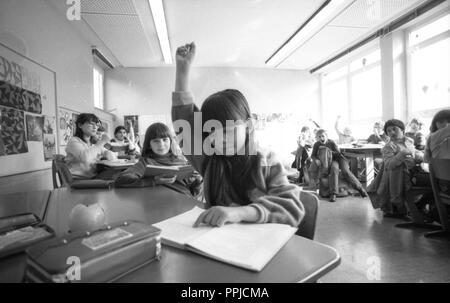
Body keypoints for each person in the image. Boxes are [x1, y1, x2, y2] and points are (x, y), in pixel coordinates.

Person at [172, 42, 304, 228]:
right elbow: (184, 123)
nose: (220, 138)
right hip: (216, 247)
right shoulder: (210, 160)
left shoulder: (266, 162)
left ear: (249, 126)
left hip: (262, 248)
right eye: (211, 131)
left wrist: (239, 213)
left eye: (228, 129)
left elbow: (291, 208)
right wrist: (183, 69)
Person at [115, 122, 203, 198]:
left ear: (170, 141)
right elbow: (121, 180)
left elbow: (193, 192)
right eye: (156, 141)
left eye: (165, 140)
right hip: (159, 205)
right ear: (149, 144)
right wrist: (153, 181)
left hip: (185, 203)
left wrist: (198, 181)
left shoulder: (182, 162)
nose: (161, 145)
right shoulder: (146, 162)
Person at [368, 119, 426, 219]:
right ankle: (399, 211)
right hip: (396, 175)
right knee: (397, 192)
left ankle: (414, 208)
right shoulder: (389, 146)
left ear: (402, 130)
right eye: (388, 131)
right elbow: (389, 164)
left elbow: (413, 152)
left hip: (411, 172)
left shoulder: (409, 141)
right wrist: (402, 154)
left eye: (394, 129)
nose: (392, 132)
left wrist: (419, 155)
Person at [308, 129, 367, 202]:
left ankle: (360, 188)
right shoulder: (316, 144)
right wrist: (316, 160)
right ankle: (334, 193)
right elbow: (313, 155)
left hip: (340, 159)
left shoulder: (331, 142)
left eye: (323, 136)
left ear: (326, 136)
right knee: (334, 169)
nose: (321, 138)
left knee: (345, 171)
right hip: (332, 161)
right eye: (319, 137)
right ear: (317, 137)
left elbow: (338, 153)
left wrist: (328, 151)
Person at [65, 113, 116, 179]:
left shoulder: (92, 144)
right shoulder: (74, 141)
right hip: (78, 180)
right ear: (80, 125)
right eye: (91, 124)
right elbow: (86, 158)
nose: (95, 127)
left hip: (92, 178)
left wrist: (107, 151)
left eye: (96, 125)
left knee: (118, 174)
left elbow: (112, 158)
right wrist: (102, 142)